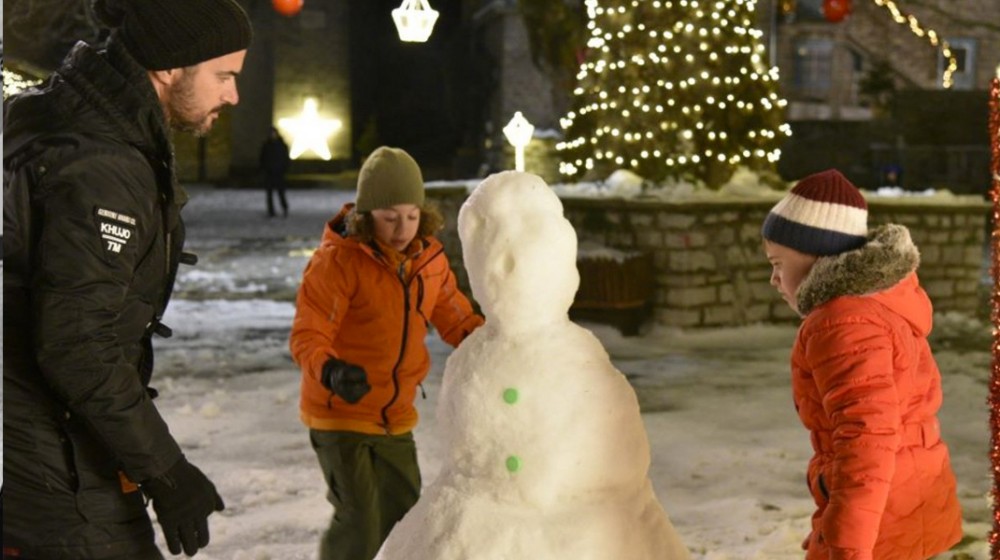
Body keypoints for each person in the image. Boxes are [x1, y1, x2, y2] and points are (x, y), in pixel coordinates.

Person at [2, 0, 252, 558]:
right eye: (224, 75)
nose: (233, 95)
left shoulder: (77, 122)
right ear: (168, 68)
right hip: (44, 458)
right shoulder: (100, 163)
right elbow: (75, 341)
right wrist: (167, 472)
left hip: (45, 438)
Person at [289, 146, 484, 560]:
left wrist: (498, 346)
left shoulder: (428, 261)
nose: (402, 229)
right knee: (360, 522)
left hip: (395, 416)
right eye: (390, 217)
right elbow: (308, 333)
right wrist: (332, 371)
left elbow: (457, 319)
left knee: (405, 521)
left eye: (411, 216)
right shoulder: (337, 263)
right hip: (340, 411)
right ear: (366, 215)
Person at [761, 169, 962, 560]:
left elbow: (865, 444)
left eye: (778, 263)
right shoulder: (876, 305)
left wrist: (845, 545)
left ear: (816, 257)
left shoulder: (843, 323)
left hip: (881, 526)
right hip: (905, 508)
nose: (773, 278)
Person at [259, 125, 291, 218]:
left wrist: (284, 169)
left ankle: (284, 208)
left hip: (279, 173)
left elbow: (285, 159)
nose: (272, 135)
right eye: (271, 133)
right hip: (269, 173)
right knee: (269, 194)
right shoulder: (266, 145)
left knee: (281, 193)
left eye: (273, 133)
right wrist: (264, 169)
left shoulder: (282, 146)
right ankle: (271, 211)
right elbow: (262, 158)